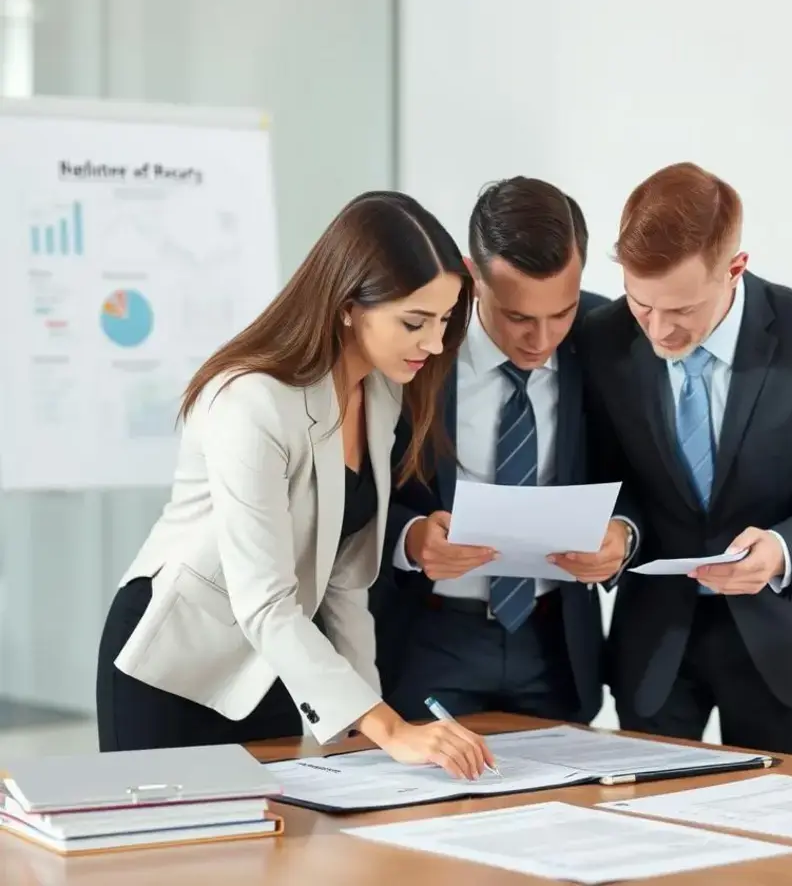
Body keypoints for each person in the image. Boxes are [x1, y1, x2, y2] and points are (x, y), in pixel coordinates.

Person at [96, 192, 494, 780]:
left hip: (272, 667)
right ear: (347, 306)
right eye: (414, 322)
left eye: (442, 320)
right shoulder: (250, 401)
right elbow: (263, 598)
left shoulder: (381, 394)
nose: (434, 344)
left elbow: (347, 582)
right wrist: (392, 728)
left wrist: (374, 740)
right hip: (175, 669)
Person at [579, 162, 792, 758]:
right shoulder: (604, 339)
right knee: (649, 833)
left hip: (789, 637)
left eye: (681, 310)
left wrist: (783, 547)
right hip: (656, 643)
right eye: (642, 304)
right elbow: (604, 474)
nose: (658, 330)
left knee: (787, 835)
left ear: (735, 269)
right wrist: (619, 531)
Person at [372, 177, 638, 724]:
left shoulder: (605, 337)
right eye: (518, 317)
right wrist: (409, 537)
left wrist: (623, 534)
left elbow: (645, 472)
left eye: (559, 313)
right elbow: (356, 489)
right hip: (429, 635)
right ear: (473, 277)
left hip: (557, 644)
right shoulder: (415, 348)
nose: (540, 340)